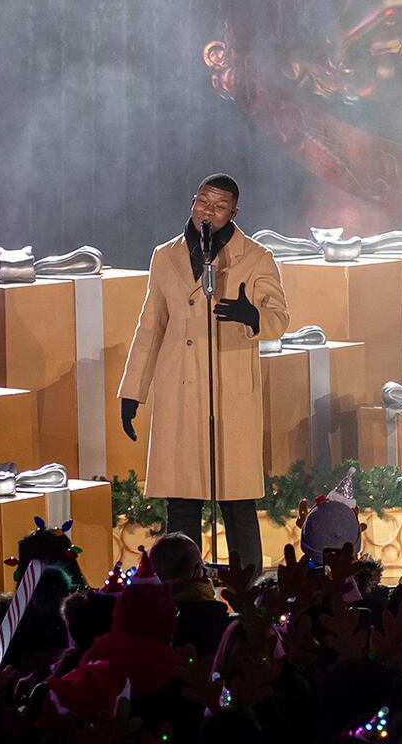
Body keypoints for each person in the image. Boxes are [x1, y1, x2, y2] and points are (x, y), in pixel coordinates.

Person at [117, 174, 287, 571]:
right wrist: (133, 391)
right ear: (193, 201)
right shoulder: (166, 255)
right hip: (179, 387)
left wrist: (253, 316)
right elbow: (151, 326)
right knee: (182, 499)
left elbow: (280, 318)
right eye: (203, 203)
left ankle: (250, 594)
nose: (208, 212)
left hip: (229, 390)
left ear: (234, 212)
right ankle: (182, 590)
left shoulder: (256, 257)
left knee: (236, 499)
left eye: (219, 206)